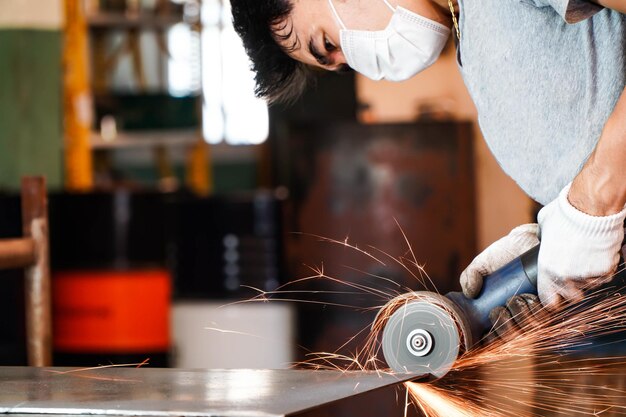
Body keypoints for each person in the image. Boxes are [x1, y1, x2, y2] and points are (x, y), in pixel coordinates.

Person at [230, 0, 626, 322]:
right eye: (339, 65)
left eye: (328, 43)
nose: (352, 60)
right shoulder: (472, 36)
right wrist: (552, 236)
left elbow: (602, 191)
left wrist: (596, 203)